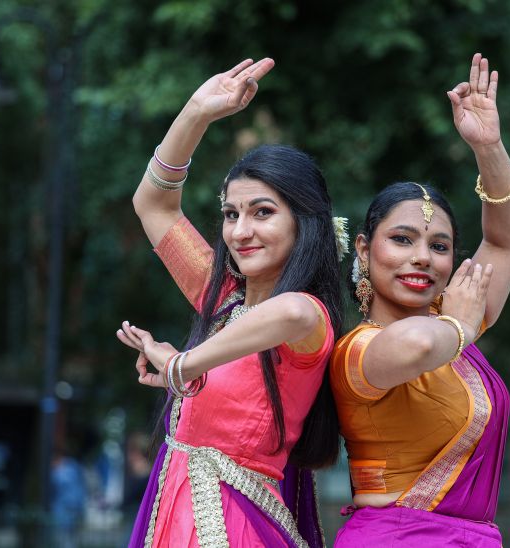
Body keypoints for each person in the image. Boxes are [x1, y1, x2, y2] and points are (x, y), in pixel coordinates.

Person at [117, 57, 345, 547]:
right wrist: (197, 112)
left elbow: (291, 312)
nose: (240, 231)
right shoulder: (221, 299)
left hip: (235, 522)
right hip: (171, 512)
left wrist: (180, 365)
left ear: (304, 223)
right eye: (231, 213)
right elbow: (153, 204)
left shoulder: (308, 318)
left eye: (262, 213)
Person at [331, 53, 510, 546]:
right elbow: (419, 347)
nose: (421, 258)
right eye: (401, 239)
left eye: (438, 246)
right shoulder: (357, 352)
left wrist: (489, 147)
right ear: (364, 247)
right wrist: (461, 328)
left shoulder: (453, 324)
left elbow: (507, 242)